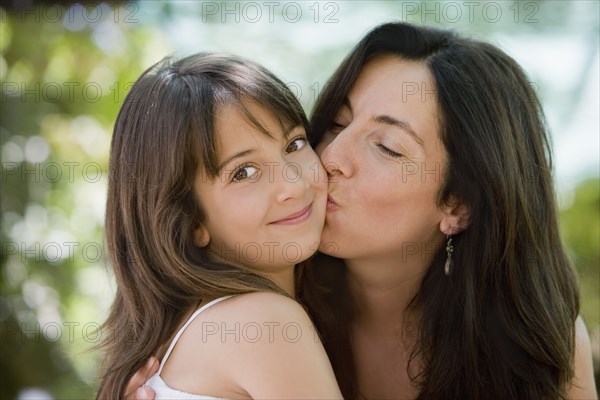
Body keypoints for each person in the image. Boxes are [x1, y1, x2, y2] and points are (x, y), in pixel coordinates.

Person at [127, 23, 598, 400]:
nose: (328, 158)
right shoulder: (263, 298)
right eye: (337, 123)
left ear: (459, 204)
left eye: (388, 148)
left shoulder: (536, 343)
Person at [96, 52, 343, 399]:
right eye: (244, 172)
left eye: (294, 144)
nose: (294, 184)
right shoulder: (265, 324)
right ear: (191, 222)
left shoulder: (179, 336)